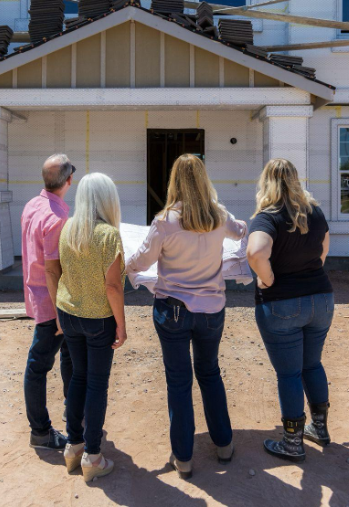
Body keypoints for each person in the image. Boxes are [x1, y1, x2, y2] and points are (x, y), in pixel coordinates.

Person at [127, 154, 246, 479]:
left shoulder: (165, 221)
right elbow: (239, 231)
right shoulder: (217, 215)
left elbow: (143, 258)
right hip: (211, 311)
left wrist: (129, 267)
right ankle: (223, 445)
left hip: (173, 311)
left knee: (179, 382)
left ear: (174, 181)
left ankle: (183, 457)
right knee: (209, 374)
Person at [247, 158, 333, 463]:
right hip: (321, 299)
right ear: (296, 180)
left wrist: (266, 278)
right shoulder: (315, 213)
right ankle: (319, 428)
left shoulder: (267, 217)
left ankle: (293, 442)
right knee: (312, 364)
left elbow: (256, 251)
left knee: (289, 373)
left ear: (266, 182)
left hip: (282, 304)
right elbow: (323, 249)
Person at [55, 173, 127, 482]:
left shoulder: (68, 227)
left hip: (69, 313)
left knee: (78, 378)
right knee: (97, 383)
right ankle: (93, 456)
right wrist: (121, 327)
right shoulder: (109, 234)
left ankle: (73, 446)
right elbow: (113, 287)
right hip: (98, 318)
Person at [21, 153, 76, 451]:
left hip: (38, 294)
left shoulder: (33, 205)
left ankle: (73, 409)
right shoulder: (56, 218)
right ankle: (41, 431)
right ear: (68, 180)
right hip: (52, 303)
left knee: (67, 355)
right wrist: (59, 314)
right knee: (39, 365)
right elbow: (53, 269)